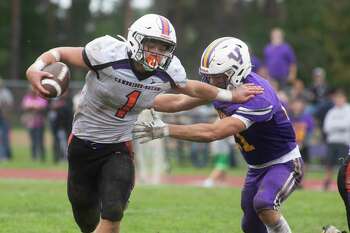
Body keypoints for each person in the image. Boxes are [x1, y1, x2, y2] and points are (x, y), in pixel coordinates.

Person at [25, 14, 263, 233]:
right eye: (152, 45)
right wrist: (34, 68)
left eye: (164, 48)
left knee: (113, 212)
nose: (157, 53)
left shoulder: (169, 69)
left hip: (118, 147)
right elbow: (60, 53)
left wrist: (230, 95)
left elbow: (191, 88)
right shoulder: (107, 52)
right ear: (135, 40)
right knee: (86, 218)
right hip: (82, 144)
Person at [133, 37, 303, 233]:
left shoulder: (259, 97)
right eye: (208, 76)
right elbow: (179, 100)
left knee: (264, 203)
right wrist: (138, 98)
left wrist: (165, 129)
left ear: (236, 73)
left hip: (284, 162)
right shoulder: (228, 88)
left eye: (217, 77)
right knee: (250, 224)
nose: (211, 81)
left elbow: (214, 132)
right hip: (255, 166)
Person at [323, 89, 350, 191]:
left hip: (344, 142)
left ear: (344, 98)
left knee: (343, 165)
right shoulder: (331, 111)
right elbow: (326, 127)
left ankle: (344, 184)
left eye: (340, 98)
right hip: (332, 142)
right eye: (336, 98)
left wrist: (335, 126)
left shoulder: (348, 110)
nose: (338, 100)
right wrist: (340, 126)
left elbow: (347, 124)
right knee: (329, 164)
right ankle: (327, 182)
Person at [21, 87, 48, 162]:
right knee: (33, 141)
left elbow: (42, 106)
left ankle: (42, 157)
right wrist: (35, 107)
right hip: (30, 123)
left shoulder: (40, 98)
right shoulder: (27, 97)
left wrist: (32, 107)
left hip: (40, 122)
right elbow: (24, 106)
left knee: (40, 141)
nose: (32, 92)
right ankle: (34, 157)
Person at [0, 78, 14, 161]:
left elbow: (9, 104)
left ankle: (6, 155)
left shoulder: (6, 92)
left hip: (4, 117)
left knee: (5, 137)